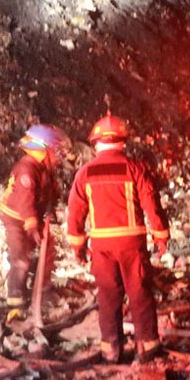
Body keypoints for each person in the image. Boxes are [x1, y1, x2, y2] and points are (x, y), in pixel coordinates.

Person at [66, 114, 171, 363]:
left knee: (108, 296)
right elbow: (152, 205)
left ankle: (111, 350)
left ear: (96, 143)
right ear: (123, 142)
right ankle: (147, 346)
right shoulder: (135, 168)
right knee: (139, 292)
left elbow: (75, 212)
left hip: (101, 245)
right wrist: (160, 237)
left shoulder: (84, 173)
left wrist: (77, 245)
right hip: (132, 245)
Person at [0, 124, 70, 312]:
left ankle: (43, 289)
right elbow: (25, 200)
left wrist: (50, 212)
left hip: (32, 216)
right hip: (15, 218)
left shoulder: (43, 168)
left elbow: (49, 191)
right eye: (56, 150)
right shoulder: (27, 170)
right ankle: (15, 299)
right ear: (44, 150)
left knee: (48, 249)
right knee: (21, 256)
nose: (59, 155)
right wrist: (32, 226)